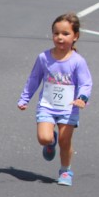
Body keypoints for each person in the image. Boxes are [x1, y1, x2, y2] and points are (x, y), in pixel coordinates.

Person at [17, 13, 92, 186]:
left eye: (65, 33)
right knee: (44, 138)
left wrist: (82, 98)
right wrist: (25, 98)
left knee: (65, 142)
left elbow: (86, 83)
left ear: (75, 36)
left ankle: (65, 171)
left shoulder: (78, 61)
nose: (60, 37)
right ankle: (51, 142)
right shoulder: (44, 58)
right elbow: (34, 79)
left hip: (69, 108)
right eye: (56, 33)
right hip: (47, 105)